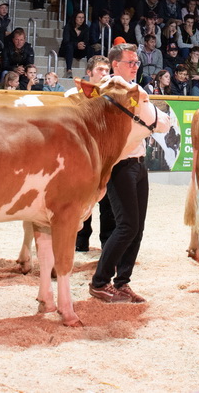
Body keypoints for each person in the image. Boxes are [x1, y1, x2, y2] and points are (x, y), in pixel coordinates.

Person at [89, 43, 172, 304]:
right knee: (127, 225)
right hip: (119, 164)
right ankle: (100, 282)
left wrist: (152, 120)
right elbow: (159, 122)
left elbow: (158, 121)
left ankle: (122, 283)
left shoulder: (135, 89)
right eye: (131, 62)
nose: (136, 66)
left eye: (137, 62)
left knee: (136, 227)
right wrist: (152, 120)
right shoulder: (113, 89)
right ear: (115, 64)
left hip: (137, 160)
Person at [71, 56, 114, 252]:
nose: (104, 74)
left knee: (107, 201)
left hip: (105, 156)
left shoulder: (114, 96)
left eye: (107, 70)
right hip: (82, 156)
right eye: (100, 70)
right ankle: (80, 240)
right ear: (89, 72)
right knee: (81, 199)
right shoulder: (73, 94)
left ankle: (107, 242)